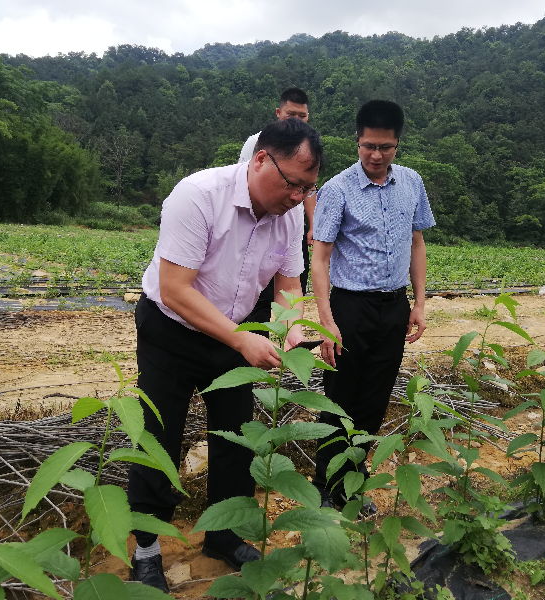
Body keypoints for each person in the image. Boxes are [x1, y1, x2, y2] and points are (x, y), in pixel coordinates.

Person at [128, 118, 322, 592]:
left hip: (236, 331)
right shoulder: (198, 194)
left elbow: (288, 284)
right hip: (172, 329)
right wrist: (240, 338)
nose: (297, 197)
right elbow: (175, 289)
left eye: (307, 188)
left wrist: (293, 327)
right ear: (260, 159)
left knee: (236, 434)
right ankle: (148, 547)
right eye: (292, 184)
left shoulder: (291, 214)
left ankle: (222, 533)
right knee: (159, 432)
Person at [311, 100, 435, 512]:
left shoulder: (412, 183)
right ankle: (327, 486)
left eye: (385, 147)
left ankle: (354, 479)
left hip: (393, 306)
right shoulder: (337, 189)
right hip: (349, 307)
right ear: (357, 142)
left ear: (398, 145)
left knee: (375, 399)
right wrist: (327, 323)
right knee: (339, 397)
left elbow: (417, 243)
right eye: (368, 146)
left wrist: (418, 303)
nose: (376, 155)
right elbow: (321, 258)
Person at [239, 88, 315, 323]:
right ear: (279, 113)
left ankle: (288, 334)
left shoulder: (309, 146)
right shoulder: (259, 142)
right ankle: (253, 338)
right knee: (257, 292)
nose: (297, 120)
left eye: (302, 116)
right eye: (291, 114)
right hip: (260, 225)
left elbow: (311, 188)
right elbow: (246, 180)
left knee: (293, 285)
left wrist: (313, 225)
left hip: (291, 226)